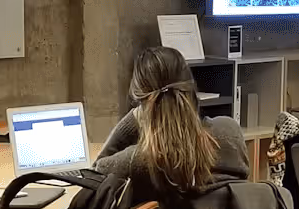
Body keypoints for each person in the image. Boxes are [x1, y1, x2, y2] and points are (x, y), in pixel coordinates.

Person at [97, 46, 249, 195]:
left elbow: (96, 172)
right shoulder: (230, 134)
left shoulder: (139, 160)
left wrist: (137, 115)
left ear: (143, 100)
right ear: (190, 88)